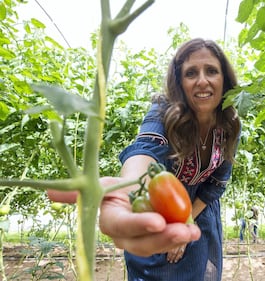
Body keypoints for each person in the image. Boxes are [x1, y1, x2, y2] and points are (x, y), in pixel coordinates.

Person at [49, 38, 241, 281]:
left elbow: (218, 181)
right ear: (180, 83)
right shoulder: (164, 111)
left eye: (211, 71)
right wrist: (132, 183)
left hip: (201, 214)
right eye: (191, 73)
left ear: (224, 79)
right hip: (159, 208)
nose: (202, 80)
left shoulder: (230, 124)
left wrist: (187, 219)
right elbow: (147, 148)